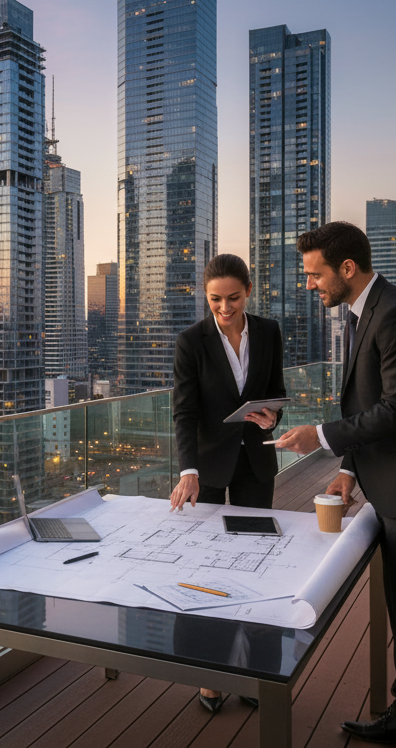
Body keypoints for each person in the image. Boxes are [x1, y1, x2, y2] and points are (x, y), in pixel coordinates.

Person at [275, 222, 396, 748]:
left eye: (315, 274)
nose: (310, 284)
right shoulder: (366, 312)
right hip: (394, 484)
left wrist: (320, 436)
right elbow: (370, 404)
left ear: (346, 269)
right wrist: (350, 469)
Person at [169, 253, 286, 713]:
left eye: (233, 298)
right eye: (215, 299)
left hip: (256, 461)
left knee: (258, 567)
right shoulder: (190, 341)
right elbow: (184, 411)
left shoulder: (270, 332)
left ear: (249, 292)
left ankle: (258, 673)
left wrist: (272, 416)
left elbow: (277, 392)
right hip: (208, 469)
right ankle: (208, 675)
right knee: (206, 574)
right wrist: (188, 469)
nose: (224, 307)